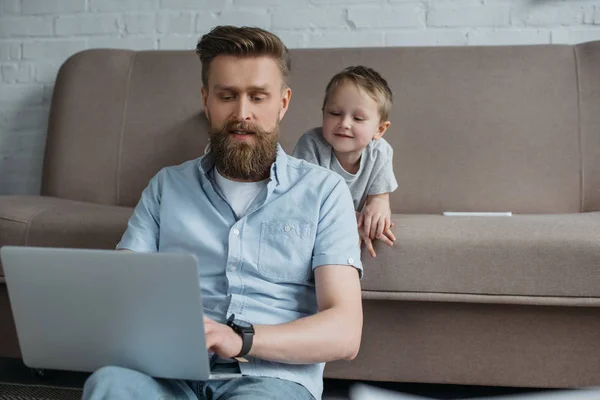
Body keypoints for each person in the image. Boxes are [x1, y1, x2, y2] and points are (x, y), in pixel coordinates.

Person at [81, 25, 363, 400]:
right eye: (227, 96)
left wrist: (240, 340)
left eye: (258, 97)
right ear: (206, 100)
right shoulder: (167, 187)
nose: (241, 113)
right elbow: (122, 291)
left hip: (270, 377)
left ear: (283, 102)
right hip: (168, 373)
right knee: (108, 385)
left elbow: (345, 333)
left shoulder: (324, 192)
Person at [292, 66, 398, 258]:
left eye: (357, 118)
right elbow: (306, 202)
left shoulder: (380, 152)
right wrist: (349, 221)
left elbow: (380, 199)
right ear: (323, 112)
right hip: (315, 213)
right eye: (334, 113)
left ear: (379, 130)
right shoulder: (311, 145)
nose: (344, 123)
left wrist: (376, 211)